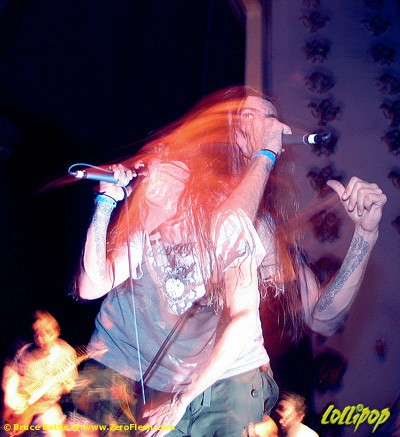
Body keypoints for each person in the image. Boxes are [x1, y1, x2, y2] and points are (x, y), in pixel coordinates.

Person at [72, 86, 386, 436]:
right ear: (225, 130)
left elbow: (322, 318)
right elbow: (93, 283)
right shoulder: (171, 182)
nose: (261, 124)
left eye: (268, 118)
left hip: (198, 385)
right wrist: (107, 203)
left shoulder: (263, 229)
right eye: (247, 115)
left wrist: (365, 235)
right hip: (122, 365)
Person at [2, 311, 78, 436]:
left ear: (56, 332)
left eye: (45, 334)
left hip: (46, 406)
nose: (40, 340)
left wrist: (67, 385)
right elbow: (11, 372)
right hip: (20, 404)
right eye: (37, 334)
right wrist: (10, 395)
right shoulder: (27, 350)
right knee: (6, 431)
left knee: (54, 432)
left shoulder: (67, 353)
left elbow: (70, 385)